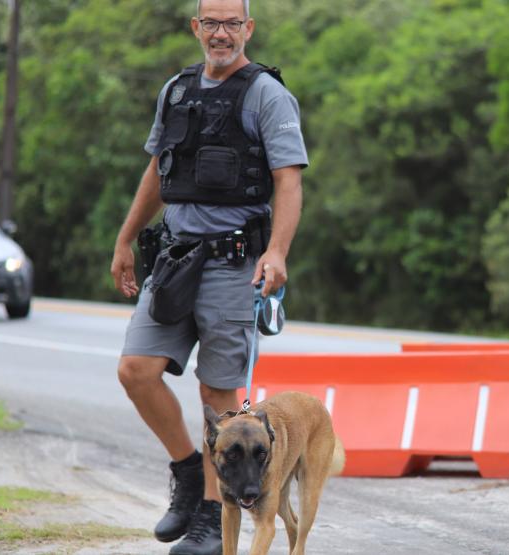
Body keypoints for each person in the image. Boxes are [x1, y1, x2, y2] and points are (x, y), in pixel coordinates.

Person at [109, 0, 307, 552]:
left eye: (232, 23)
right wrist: (127, 237)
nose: (221, 34)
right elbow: (158, 168)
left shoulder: (267, 94)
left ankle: (212, 523)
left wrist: (278, 252)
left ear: (249, 28)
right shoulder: (175, 89)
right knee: (136, 370)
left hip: (234, 264)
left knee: (218, 397)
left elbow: (288, 181)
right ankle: (192, 473)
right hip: (174, 260)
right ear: (196, 27)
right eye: (211, 23)